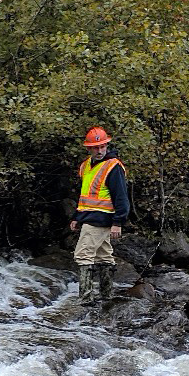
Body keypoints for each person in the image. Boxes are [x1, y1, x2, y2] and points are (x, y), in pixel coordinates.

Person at [69, 126, 130, 304]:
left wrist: (118, 222)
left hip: (102, 219)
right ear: (88, 148)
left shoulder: (113, 167)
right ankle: (106, 295)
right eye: (95, 147)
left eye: (103, 146)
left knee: (83, 255)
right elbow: (84, 195)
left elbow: (121, 198)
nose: (100, 150)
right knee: (103, 256)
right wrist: (76, 216)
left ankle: (86, 299)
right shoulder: (86, 165)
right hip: (91, 217)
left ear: (107, 145)